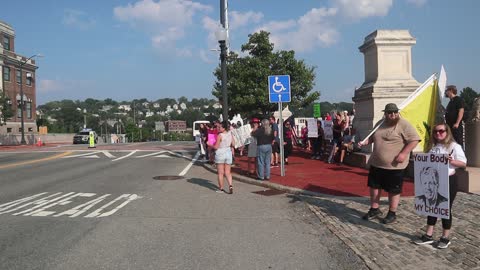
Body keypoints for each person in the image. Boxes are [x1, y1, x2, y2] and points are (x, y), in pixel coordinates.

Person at [358, 103, 420, 224]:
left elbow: (414, 140)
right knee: (374, 187)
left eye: (395, 112)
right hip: (377, 163)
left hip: (395, 166)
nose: (392, 115)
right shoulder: (380, 124)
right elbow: (373, 137)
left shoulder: (404, 124)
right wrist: (365, 142)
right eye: (390, 113)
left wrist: (404, 153)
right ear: (385, 113)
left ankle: (392, 213)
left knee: (393, 190)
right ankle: (374, 209)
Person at [413, 123, 467, 249]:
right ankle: (428, 235)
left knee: (445, 208)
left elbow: (463, 163)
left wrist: (451, 161)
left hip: (449, 180)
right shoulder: (433, 146)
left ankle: (445, 237)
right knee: (432, 207)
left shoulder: (454, 146)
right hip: (433, 181)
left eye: (441, 131)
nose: (438, 133)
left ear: (447, 132)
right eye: (436, 131)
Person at [207, 120, 235, 194]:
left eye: (220, 127)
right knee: (228, 172)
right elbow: (233, 143)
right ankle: (230, 185)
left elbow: (216, 147)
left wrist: (209, 144)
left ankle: (221, 189)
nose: (218, 128)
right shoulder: (230, 134)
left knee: (220, 173)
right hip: (228, 153)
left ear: (224, 128)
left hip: (220, 153)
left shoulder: (220, 135)